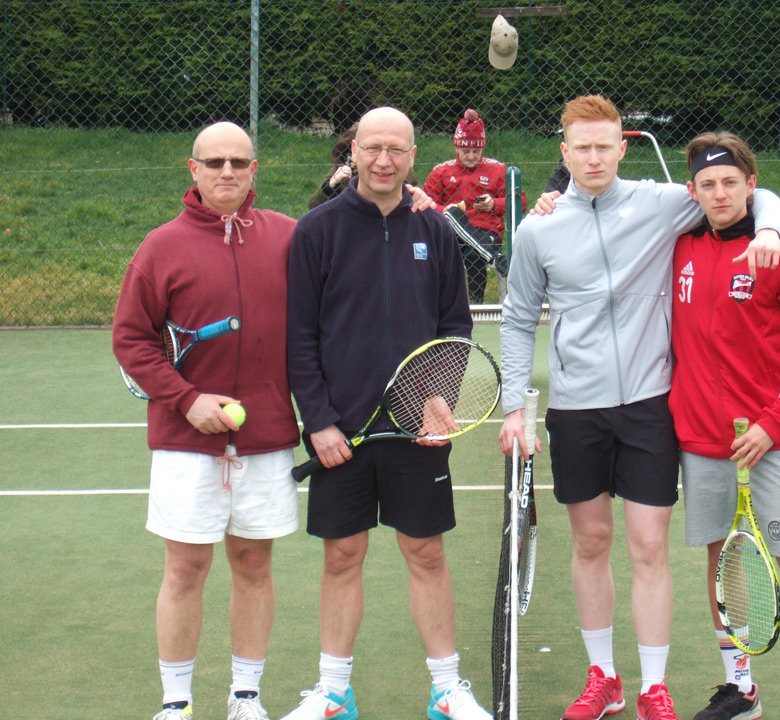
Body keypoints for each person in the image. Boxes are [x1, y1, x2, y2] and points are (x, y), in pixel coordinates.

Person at [499, 95, 780, 720]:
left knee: (649, 545)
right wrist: (514, 407)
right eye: (583, 147)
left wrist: (768, 228)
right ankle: (603, 677)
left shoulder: (660, 203)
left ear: (622, 148)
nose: (595, 157)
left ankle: (655, 685)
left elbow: (747, 194)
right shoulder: (538, 229)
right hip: (576, 410)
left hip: (651, 406)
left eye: (605, 145)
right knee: (592, 541)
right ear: (564, 151)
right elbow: (519, 320)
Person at [282, 106, 491, 720]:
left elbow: (455, 325)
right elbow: (300, 336)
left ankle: (447, 688)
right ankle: (333, 692)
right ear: (353, 151)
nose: (383, 160)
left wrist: (438, 398)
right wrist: (317, 420)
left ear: (412, 155)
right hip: (338, 432)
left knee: (426, 553)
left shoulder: (436, 231)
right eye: (372, 148)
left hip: (415, 432)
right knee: (341, 556)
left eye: (396, 149)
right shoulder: (316, 231)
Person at [112, 121, 302, 720]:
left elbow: (348, 248)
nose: (227, 172)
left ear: (254, 171)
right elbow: (131, 339)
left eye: (239, 162)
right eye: (215, 161)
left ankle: (246, 696)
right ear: (192, 169)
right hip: (185, 441)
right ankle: (176, 702)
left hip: (266, 436)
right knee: (185, 568)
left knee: (253, 563)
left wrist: (419, 198)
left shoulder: (289, 237)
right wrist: (186, 398)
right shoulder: (160, 246)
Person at [671, 132, 780, 720]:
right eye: (707, 184)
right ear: (692, 191)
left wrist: (773, 425)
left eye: (730, 182)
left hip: (773, 440)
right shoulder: (679, 247)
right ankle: (741, 689)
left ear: (751, 185)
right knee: (726, 560)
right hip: (702, 440)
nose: (719, 194)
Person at [422, 108, 525, 304]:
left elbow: (520, 202)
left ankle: (475, 304)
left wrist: (494, 204)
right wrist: (445, 211)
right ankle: (492, 259)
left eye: (476, 151)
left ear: (483, 149)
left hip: (487, 231)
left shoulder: (497, 169)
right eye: (465, 151)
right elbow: (425, 202)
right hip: (450, 233)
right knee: (451, 221)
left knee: (474, 255)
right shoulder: (441, 171)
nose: (470, 156)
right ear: (456, 149)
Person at [307, 122, 418, 210]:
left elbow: (412, 180)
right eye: (371, 149)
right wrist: (331, 186)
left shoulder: (395, 167)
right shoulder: (343, 167)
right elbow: (313, 205)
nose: (382, 161)